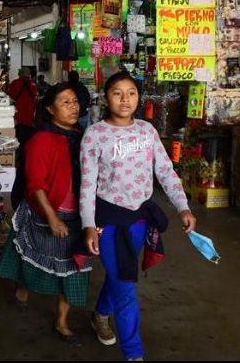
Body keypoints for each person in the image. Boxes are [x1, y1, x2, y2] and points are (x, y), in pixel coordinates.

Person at [80, 71, 197, 361]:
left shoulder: (147, 130)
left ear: (138, 97)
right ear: (106, 98)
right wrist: (88, 225)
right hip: (108, 221)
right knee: (126, 285)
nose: (125, 99)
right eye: (117, 93)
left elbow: (165, 171)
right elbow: (86, 183)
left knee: (121, 273)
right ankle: (134, 353)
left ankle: (100, 315)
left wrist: (182, 205)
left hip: (139, 218)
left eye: (131, 92)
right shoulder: (95, 134)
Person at [0, 83, 92, 341]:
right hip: (47, 212)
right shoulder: (41, 139)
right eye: (65, 102)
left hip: (78, 215)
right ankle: (23, 289)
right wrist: (52, 217)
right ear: (50, 108)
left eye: (75, 101)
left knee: (74, 269)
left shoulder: (83, 135)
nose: (73, 107)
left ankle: (61, 320)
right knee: (34, 260)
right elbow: (35, 184)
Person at [7, 67, 39, 211]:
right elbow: (37, 100)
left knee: (19, 144)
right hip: (30, 122)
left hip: (18, 121)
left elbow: (9, 99)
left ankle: (19, 159)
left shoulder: (15, 84)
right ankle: (25, 158)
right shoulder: (33, 85)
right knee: (27, 144)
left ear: (20, 74)